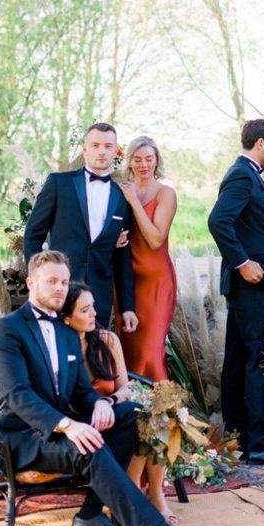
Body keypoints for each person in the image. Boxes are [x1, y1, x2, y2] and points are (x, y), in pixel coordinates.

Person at [0, 250, 209, 526]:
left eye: (64, 282)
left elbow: (81, 392)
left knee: (130, 414)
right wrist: (67, 425)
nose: (59, 288)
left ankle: (90, 515)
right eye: (51, 281)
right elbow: (17, 394)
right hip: (17, 439)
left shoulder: (66, 334)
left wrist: (100, 403)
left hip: (58, 433)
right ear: (30, 283)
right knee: (86, 445)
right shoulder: (7, 330)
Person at [208, 119, 264, 466]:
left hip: (250, 285)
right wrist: (243, 262)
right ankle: (259, 443)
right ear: (259, 144)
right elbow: (218, 221)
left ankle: (239, 436)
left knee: (238, 361)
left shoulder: (247, 175)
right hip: (250, 284)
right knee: (260, 360)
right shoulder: (242, 176)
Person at [60, 282, 178, 526]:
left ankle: (155, 495)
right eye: (85, 310)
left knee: (153, 415)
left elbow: (126, 386)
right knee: (135, 419)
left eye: (93, 307)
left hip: (114, 410)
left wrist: (109, 400)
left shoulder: (107, 340)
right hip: (82, 423)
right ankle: (132, 496)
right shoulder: (58, 349)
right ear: (67, 318)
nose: (94, 314)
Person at [23, 122, 138, 332]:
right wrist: (37, 280)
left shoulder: (122, 197)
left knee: (94, 361)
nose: (101, 151)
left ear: (116, 150)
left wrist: (128, 306)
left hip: (99, 297)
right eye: (95, 145)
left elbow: (122, 255)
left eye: (107, 146)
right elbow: (32, 235)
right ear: (85, 149)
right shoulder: (59, 184)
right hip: (59, 292)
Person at [114, 136, 177, 382]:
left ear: (156, 161)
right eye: (137, 159)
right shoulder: (121, 190)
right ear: (129, 162)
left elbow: (155, 239)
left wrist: (134, 203)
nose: (143, 165)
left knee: (151, 350)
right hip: (126, 279)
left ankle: (163, 413)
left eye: (149, 159)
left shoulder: (165, 194)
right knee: (128, 350)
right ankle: (133, 411)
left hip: (156, 281)